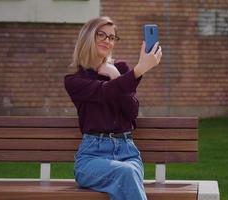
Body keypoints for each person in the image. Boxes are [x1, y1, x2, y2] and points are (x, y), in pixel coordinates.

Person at [64, 16, 162, 200]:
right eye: (101, 34)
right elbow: (103, 92)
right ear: (88, 37)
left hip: (128, 153)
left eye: (111, 37)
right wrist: (138, 70)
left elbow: (132, 112)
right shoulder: (75, 81)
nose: (107, 40)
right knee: (125, 175)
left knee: (127, 173)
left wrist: (116, 75)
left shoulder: (120, 69)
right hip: (92, 158)